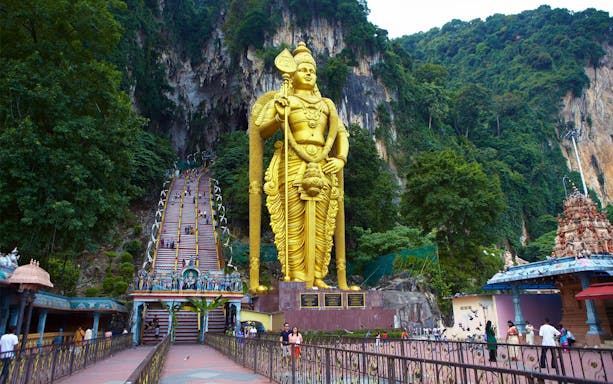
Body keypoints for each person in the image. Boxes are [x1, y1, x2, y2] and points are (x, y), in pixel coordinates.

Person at [249, 42, 353, 292]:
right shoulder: (285, 100)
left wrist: (340, 159)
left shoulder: (327, 104)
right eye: (303, 69)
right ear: (292, 73)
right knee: (293, 221)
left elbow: (341, 134)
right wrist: (278, 115)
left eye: (312, 70)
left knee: (322, 222)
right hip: (293, 162)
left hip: (323, 162)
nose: (308, 73)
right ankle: (295, 273)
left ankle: (317, 274)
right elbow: (261, 130)